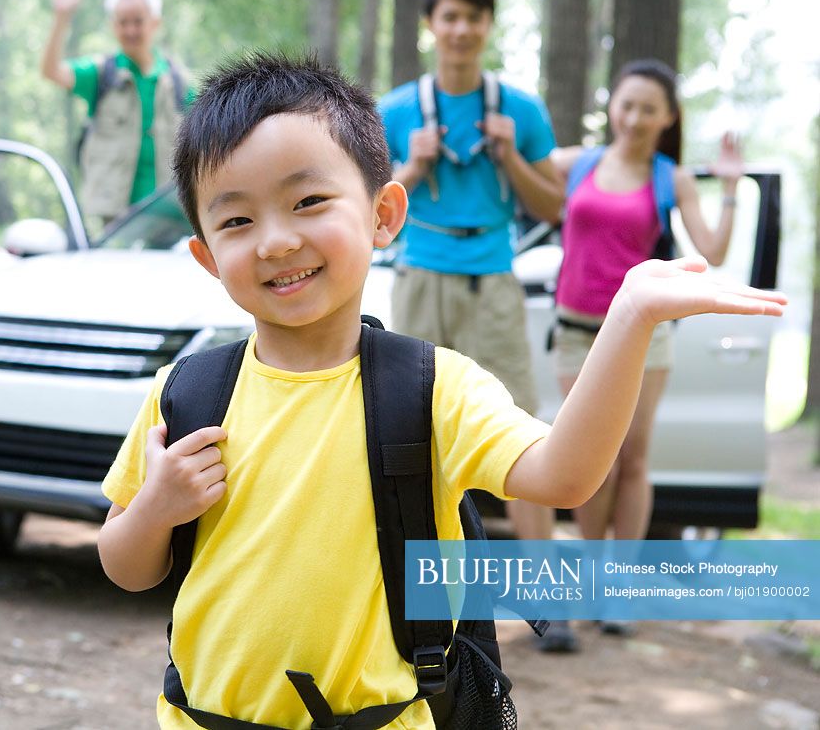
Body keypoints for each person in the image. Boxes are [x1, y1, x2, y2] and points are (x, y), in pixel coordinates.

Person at [96, 52, 784, 729]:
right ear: (207, 256)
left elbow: (565, 475)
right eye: (237, 219)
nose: (276, 240)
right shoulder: (185, 393)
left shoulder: (433, 388)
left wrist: (628, 317)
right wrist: (156, 507)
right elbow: (125, 566)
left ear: (383, 214)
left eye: (307, 201)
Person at [376, 0, 576, 650]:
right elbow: (364, 210)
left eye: (473, 17)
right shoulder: (395, 110)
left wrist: (509, 155)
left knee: (520, 429)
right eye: (449, 16)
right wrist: (410, 166)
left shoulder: (518, 109)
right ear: (430, 25)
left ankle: (548, 604)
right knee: (409, 431)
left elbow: (553, 206)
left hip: (491, 278)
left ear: (488, 25)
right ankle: (421, 598)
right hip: (420, 272)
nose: (460, 29)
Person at [549, 59, 745, 635]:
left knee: (633, 459)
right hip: (576, 332)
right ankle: (589, 579)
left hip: (646, 333)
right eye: (627, 104)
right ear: (613, 106)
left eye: (648, 109)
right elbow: (520, 175)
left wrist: (730, 189)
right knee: (592, 464)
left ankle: (620, 591)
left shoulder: (670, 178)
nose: (634, 118)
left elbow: (713, 248)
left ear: (668, 118)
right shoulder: (575, 164)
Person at [40, 0, 193, 233]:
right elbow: (51, 71)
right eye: (123, 22)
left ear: (155, 23)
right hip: (114, 216)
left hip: (171, 214)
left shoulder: (178, 81)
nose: (131, 30)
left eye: (138, 21)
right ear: (113, 26)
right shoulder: (102, 74)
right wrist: (62, 17)